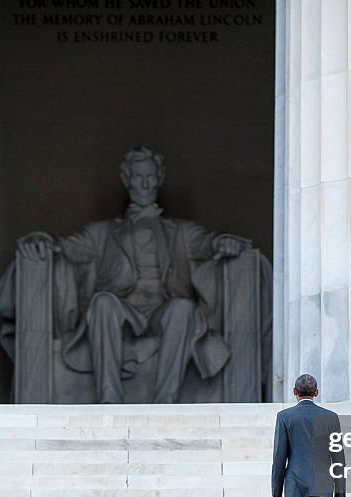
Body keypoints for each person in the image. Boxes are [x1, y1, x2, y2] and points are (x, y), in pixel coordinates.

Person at [16, 147, 251, 404]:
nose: (145, 183)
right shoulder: (102, 232)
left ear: (159, 178)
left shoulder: (181, 232)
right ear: (127, 179)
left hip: (163, 311)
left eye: (150, 176)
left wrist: (223, 242)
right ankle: (109, 399)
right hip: (122, 311)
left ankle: (166, 401)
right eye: (138, 176)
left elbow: (207, 242)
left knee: (183, 308)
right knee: (102, 302)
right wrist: (42, 239)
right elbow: (67, 246)